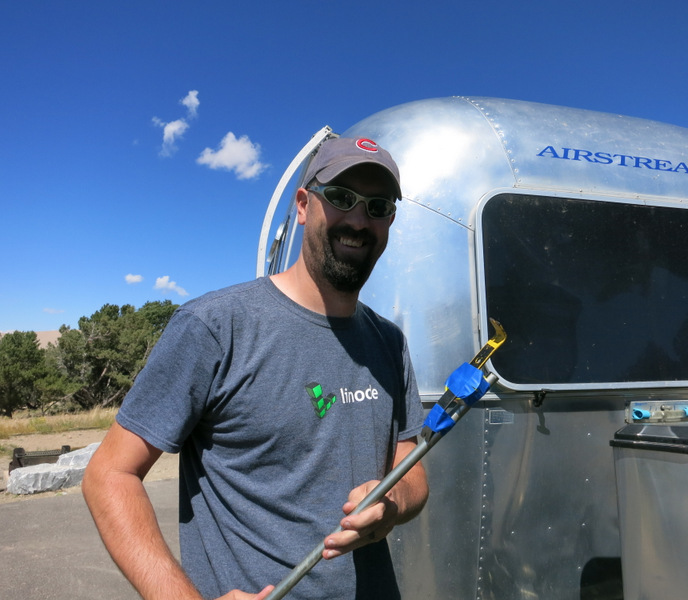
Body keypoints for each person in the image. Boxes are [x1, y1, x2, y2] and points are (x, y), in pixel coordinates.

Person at [83, 136, 429, 600]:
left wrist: (394, 502)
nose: (358, 220)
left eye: (378, 206)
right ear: (304, 205)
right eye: (342, 199)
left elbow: (410, 464)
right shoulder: (214, 327)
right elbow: (109, 476)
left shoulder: (389, 342)